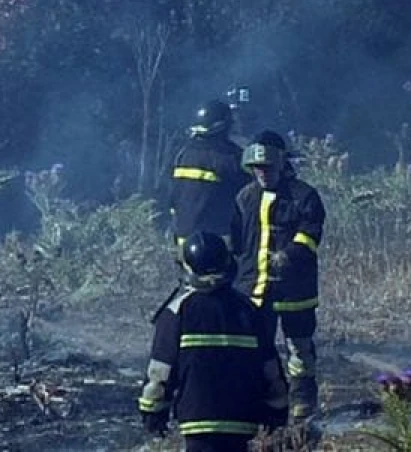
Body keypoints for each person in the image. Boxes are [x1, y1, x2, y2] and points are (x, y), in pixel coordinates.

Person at [138, 231, 289, 450]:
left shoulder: (178, 312)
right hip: (241, 421)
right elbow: (270, 369)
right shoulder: (247, 310)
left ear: (188, 270)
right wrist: (277, 410)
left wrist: (153, 411)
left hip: (197, 423)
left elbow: (160, 371)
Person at [231, 130, 327, 427]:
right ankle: (268, 406)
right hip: (254, 291)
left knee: (299, 348)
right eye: (257, 168)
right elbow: (237, 243)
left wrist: (290, 254)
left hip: (294, 292)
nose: (263, 173)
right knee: (259, 350)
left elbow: (311, 234)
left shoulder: (303, 196)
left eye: (268, 167)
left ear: (282, 164)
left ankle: (303, 403)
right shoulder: (245, 197)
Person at [169, 99, 247, 249]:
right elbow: (248, 198)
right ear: (224, 127)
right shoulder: (230, 158)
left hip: (183, 240)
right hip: (215, 243)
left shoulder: (182, 154)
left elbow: (174, 198)